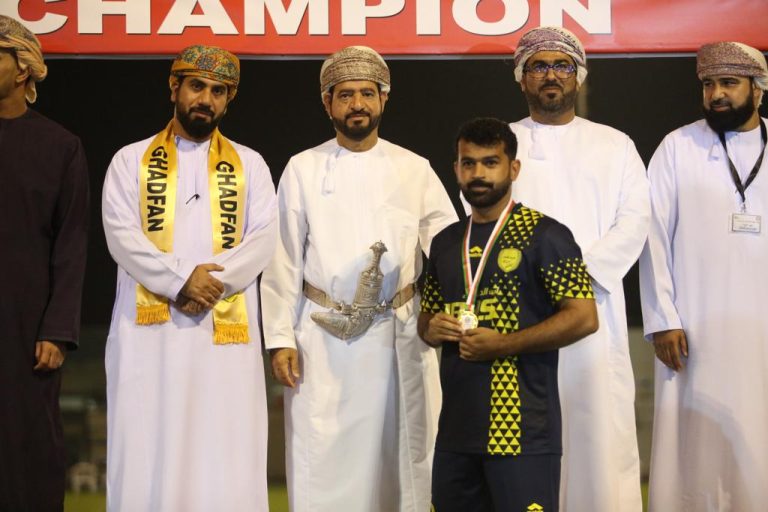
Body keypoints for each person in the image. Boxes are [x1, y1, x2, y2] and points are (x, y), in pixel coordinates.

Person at [261, 45, 457, 512]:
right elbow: (282, 258)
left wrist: (447, 311)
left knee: (406, 464)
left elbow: (449, 249)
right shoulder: (303, 168)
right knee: (324, 463)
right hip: (324, 341)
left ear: (384, 98)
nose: (357, 104)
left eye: (367, 93)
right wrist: (280, 339)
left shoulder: (414, 168)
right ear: (327, 102)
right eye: (345, 94)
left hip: (400, 336)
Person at [102, 45, 277, 511]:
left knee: (226, 448)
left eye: (218, 91)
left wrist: (210, 284)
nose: (206, 99)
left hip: (224, 337)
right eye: (197, 86)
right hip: (148, 337)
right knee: (147, 445)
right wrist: (181, 280)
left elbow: (263, 239)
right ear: (174, 87)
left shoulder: (251, 165)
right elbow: (121, 235)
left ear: (228, 100)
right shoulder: (130, 161)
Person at [420, 117, 598, 512]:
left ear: (513, 168)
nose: (478, 174)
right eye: (469, 163)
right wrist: (432, 327)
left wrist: (504, 344)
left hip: (521, 434)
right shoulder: (445, 242)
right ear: (456, 169)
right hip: (455, 436)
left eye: (490, 162)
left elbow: (584, 316)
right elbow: (426, 320)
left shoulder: (546, 235)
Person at [508, 26, 650, 511]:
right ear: (522, 77)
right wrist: (534, 282)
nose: (551, 75)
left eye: (562, 65)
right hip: (522, 315)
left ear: (578, 75)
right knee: (526, 439)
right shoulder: (502, 141)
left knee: (599, 441)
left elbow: (635, 221)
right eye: (539, 66)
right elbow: (482, 217)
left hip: (596, 314)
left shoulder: (615, 144)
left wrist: (574, 278)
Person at [639, 42, 768, 511]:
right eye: (709, 84)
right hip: (692, 332)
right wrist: (662, 319)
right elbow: (651, 236)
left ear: (758, 89)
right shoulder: (677, 147)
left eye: (728, 83)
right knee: (691, 451)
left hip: (761, 329)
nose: (716, 94)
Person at [0, 15, 89, 512]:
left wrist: (57, 330)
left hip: (27, 322)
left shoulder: (60, 146)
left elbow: (71, 243)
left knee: (28, 439)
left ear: (22, 69)